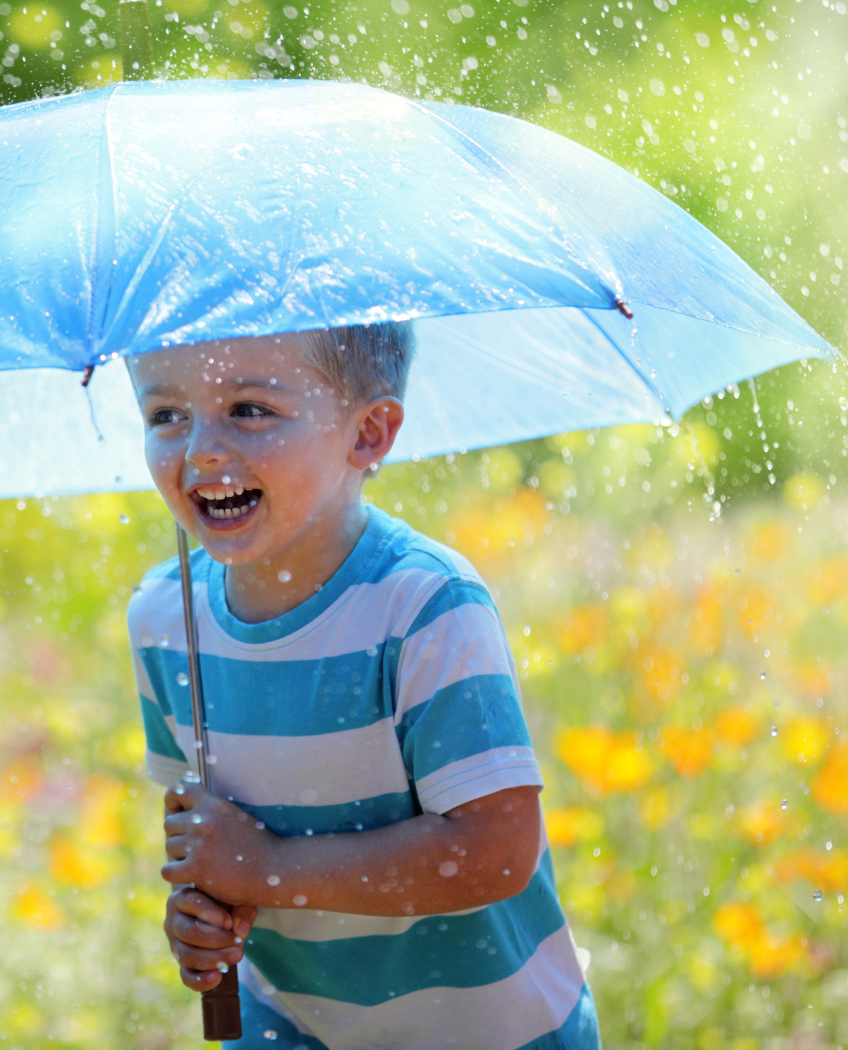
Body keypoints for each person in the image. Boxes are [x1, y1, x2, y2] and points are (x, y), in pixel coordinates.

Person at [124, 323, 599, 1050]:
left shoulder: (422, 607)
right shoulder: (166, 617)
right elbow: (206, 832)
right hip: (288, 1024)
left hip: (485, 1031)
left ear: (369, 434)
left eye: (249, 409)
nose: (200, 452)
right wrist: (204, 908)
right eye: (166, 416)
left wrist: (271, 868)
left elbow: (496, 849)